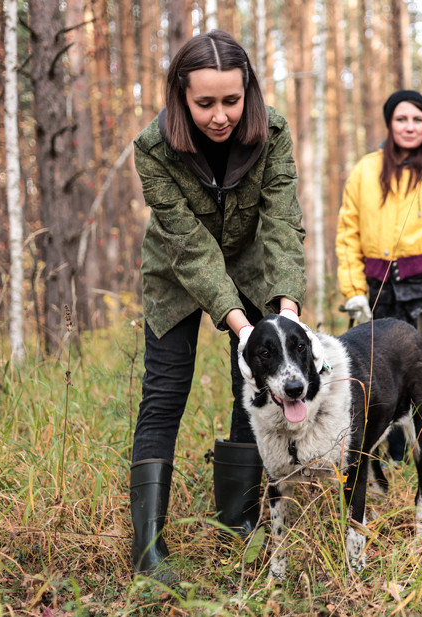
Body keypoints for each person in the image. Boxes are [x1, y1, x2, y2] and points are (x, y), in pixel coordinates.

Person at [129, 30, 307, 583]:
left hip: (254, 265)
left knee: (252, 389)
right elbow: (190, 246)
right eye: (204, 102)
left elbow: (280, 222)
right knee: (163, 396)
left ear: (247, 91)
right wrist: (238, 323)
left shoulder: (272, 132)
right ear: (181, 95)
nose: (220, 116)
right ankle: (149, 552)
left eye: (231, 100)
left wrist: (288, 309)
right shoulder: (152, 149)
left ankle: (239, 521)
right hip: (177, 274)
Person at [335, 90, 422, 468]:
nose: (409, 127)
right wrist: (353, 292)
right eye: (401, 119)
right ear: (389, 123)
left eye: (417, 119)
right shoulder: (366, 170)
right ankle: (394, 457)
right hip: (381, 290)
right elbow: (348, 233)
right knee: (384, 372)